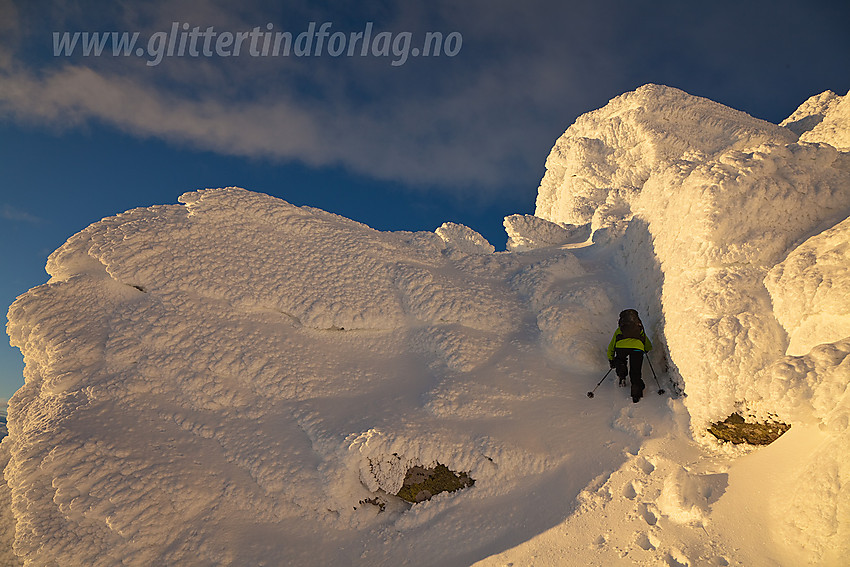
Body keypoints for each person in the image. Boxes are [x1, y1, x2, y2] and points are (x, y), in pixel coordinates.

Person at [607, 309, 653, 403]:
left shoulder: (619, 330)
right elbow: (648, 344)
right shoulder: (639, 329)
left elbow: (611, 346)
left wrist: (611, 359)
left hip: (621, 347)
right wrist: (645, 349)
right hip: (637, 349)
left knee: (620, 360)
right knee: (635, 371)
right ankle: (636, 394)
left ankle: (622, 373)